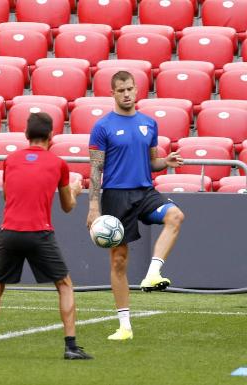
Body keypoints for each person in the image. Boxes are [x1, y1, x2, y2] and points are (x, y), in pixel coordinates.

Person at [0, 112, 92, 360]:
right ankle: (71, 347)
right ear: (51, 136)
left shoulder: (10, 160)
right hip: (39, 233)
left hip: (9, 232)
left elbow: (7, 196)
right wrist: (75, 190)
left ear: (26, 135)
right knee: (65, 285)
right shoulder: (58, 164)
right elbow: (67, 206)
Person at [87, 70, 185, 341]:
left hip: (145, 191)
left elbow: (152, 161)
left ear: (136, 89)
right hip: (116, 196)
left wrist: (166, 162)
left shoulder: (149, 123)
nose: (127, 94)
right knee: (119, 261)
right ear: (113, 93)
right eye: (121, 90)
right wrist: (94, 206)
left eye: (130, 88)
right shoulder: (103, 126)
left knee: (175, 216)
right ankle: (125, 326)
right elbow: (96, 169)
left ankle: (153, 273)